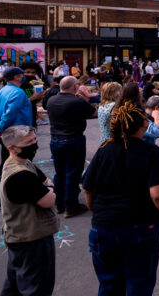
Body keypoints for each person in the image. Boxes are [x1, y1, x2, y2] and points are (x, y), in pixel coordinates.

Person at [82, 102, 159, 295]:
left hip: (104, 226)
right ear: (144, 124)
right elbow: (158, 194)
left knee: (109, 285)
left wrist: (96, 211)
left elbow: (88, 189)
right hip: (140, 225)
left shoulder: (104, 150)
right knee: (139, 284)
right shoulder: (150, 151)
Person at [0, 126, 59, 296]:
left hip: (19, 236)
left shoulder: (22, 162)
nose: (34, 144)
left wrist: (47, 187)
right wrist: (50, 189)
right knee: (36, 287)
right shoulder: (20, 175)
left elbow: (45, 181)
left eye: (34, 139)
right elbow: (48, 200)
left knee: (14, 286)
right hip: (31, 239)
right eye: (28, 142)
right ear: (11, 147)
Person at [45, 76, 97, 218]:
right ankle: (71, 206)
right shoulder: (77, 101)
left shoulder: (51, 100)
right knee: (73, 174)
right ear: (74, 86)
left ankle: (59, 204)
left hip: (55, 139)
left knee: (60, 173)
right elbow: (93, 112)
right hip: (73, 139)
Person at [0, 67, 34, 209]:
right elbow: (9, 114)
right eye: (22, 74)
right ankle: (17, 198)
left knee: (6, 165)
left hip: (7, 134)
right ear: (16, 77)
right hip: (19, 134)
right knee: (21, 166)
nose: (24, 76)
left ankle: (1, 199)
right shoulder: (18, 93)